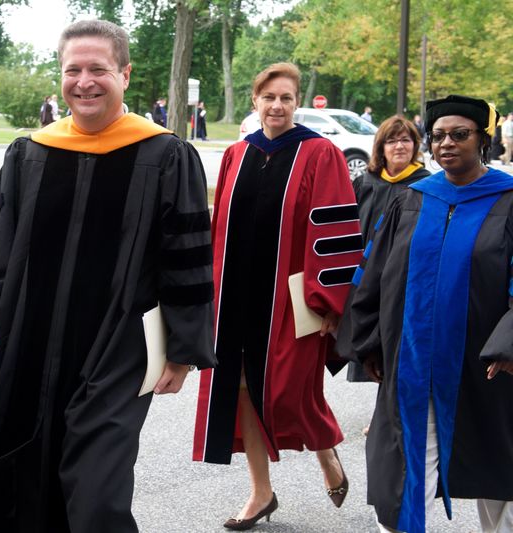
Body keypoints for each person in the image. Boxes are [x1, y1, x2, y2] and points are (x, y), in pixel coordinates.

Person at [0, 19, 215, 533]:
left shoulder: (166, 156)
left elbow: (186, 259)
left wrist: (182, 349)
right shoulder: (29, 153)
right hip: (24, 346)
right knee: (9, 478)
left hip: (116, 351)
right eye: (73, 70)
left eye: (98, 69)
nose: (85, 81)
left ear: (124, 74)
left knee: (97, 492)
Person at [193, 62, 360, 530]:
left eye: (286, 98)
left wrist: (327, 301)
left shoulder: (320, 153)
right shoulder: (236, 154)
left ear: (297, 102)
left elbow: (335, 229)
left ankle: (326, 452)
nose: (278, 106)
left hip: (292, 301)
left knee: (291, 389)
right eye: (269, 98)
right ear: (255, 102)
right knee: (243, 389)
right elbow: (218, 230)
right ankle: (260, 493)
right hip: (235, 299)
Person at [349, 94, 513, 533]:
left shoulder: (508, 201)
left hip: (487, 364)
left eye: (460, 135)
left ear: (483, 139)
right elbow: (375, 273)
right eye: (438, 135)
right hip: (414, 361)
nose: (446, 144)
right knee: (405, 466)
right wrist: (370, 342)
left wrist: (510, 343)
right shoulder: (411, 200)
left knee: (498, 468)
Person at [335, 116, 429, 435]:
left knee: (394, 343)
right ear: (381, 147)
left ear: (415, 146)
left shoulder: (424, 186)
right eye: (392, 140)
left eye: (406, 140)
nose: (399, 146)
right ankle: (382, 412)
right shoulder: (366, 183)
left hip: (401, 280)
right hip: (365, 277)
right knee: (371, 342)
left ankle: (383, 415)